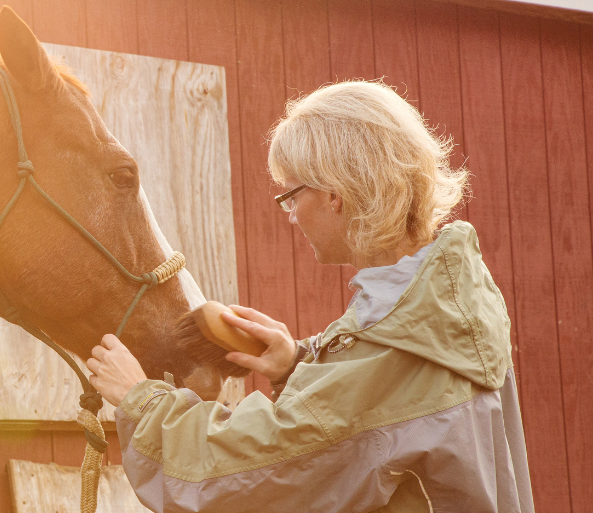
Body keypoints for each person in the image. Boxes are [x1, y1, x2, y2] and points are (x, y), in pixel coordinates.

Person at [87, 81, 533, 512]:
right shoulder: (448, 299)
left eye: (291, 194)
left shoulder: (395, 345)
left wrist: (140, 402)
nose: (291, 215)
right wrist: (296, 362)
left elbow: (242, 475)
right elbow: (376, 426)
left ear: (335, 194)